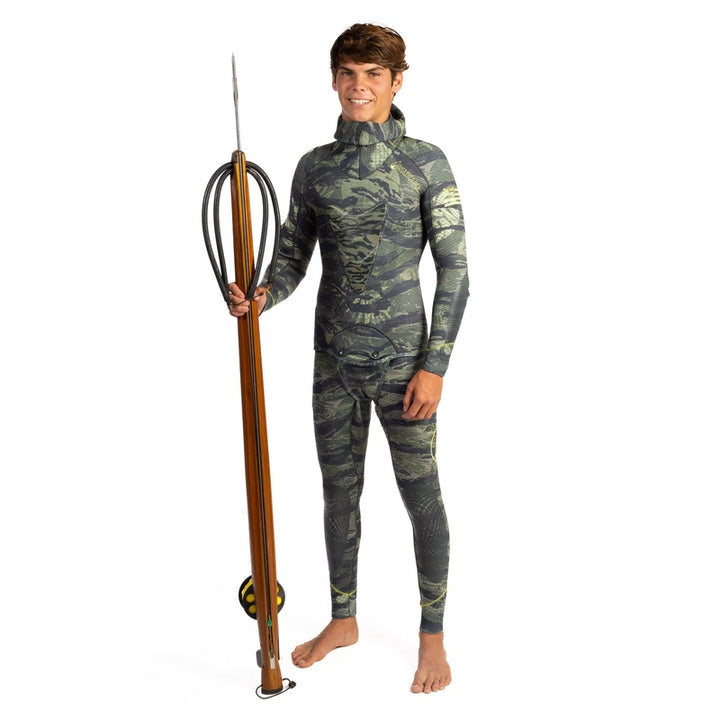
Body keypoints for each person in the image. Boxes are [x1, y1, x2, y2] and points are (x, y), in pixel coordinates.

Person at [227, 22, 469, 694]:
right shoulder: (315, 167)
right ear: (334, 79)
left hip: (404, 365)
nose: (358, 86)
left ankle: (432, 637)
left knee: (422, 497)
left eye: (372, 74)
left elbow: (455, 271)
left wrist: (435, 366)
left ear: (397, 81)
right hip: (332, 360)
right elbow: (291, 256)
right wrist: (260, 296)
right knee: (339, 493)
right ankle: (344, 618)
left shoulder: (427, 163)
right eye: (348, 73)